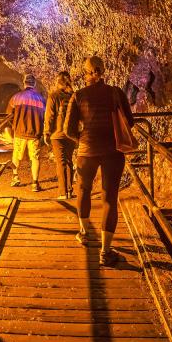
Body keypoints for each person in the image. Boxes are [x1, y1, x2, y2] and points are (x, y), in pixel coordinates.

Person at [64, 56, 134, 266]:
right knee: (110, 198)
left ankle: (84, 233)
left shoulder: (78, 96)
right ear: (103, 71)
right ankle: (106, 251)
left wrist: (82, 139)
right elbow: (129, 121)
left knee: (84, 190)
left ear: (86, 73)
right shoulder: (116, 93)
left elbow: (67, 129)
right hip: (113, 150)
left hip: (87, 151)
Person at [6, 74, 46, 192]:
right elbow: (45, 116)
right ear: (34, 84)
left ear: (24, 83)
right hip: (35, 133)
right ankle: (35, 183)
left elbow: (8, 114)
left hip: (20, 132)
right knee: (35, 157)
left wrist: (13, 125)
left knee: (16, 155)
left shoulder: (16, 97)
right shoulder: (41, 99)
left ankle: (15, 177)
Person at [44, 71, 76, 200]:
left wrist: (46, 132)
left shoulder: (53, 96)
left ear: (58, 82)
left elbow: (50, 116)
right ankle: (69, 190)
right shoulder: (74, 96)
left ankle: (63, 192)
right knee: (69, 161)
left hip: (57, 135)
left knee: (61, 162)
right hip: (71, 135)